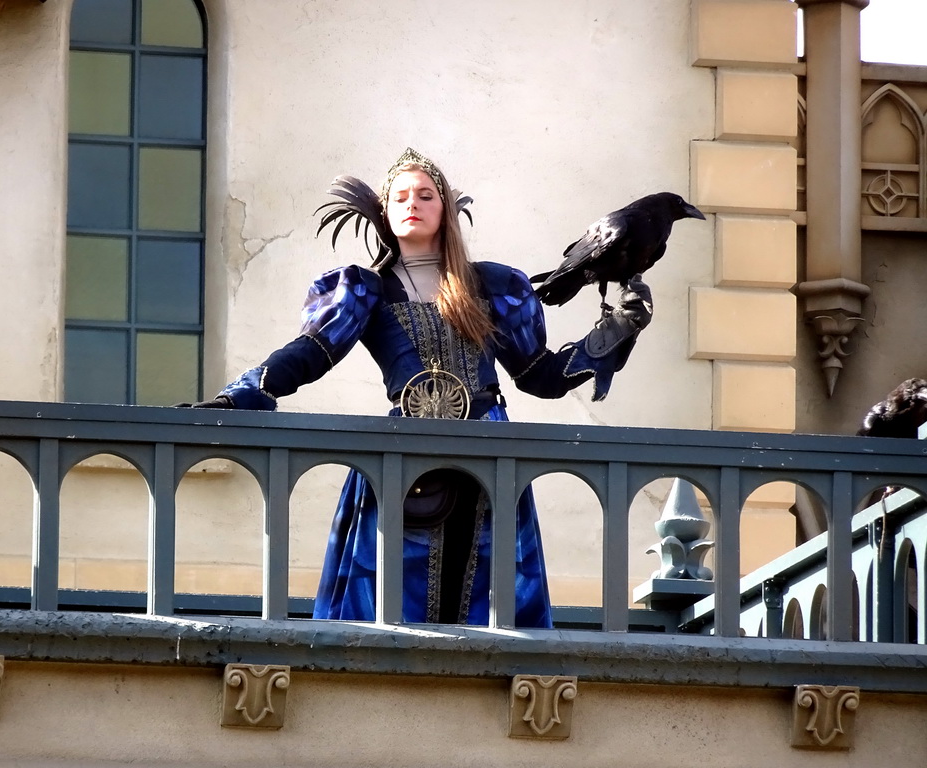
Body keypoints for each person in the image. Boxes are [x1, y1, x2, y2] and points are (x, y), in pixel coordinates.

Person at [182, 148, 653, 627]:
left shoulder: (492, 285)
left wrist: (611, 332)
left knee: (489, 585)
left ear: (445, 208)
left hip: (489, 446)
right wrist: (239, 394)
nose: (413, 203)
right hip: (401, 450)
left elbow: (540, 376)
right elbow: (309, 353)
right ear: (383, 212)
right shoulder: (365, 289)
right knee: (391, 589)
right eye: (401, 196)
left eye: (426, 195)